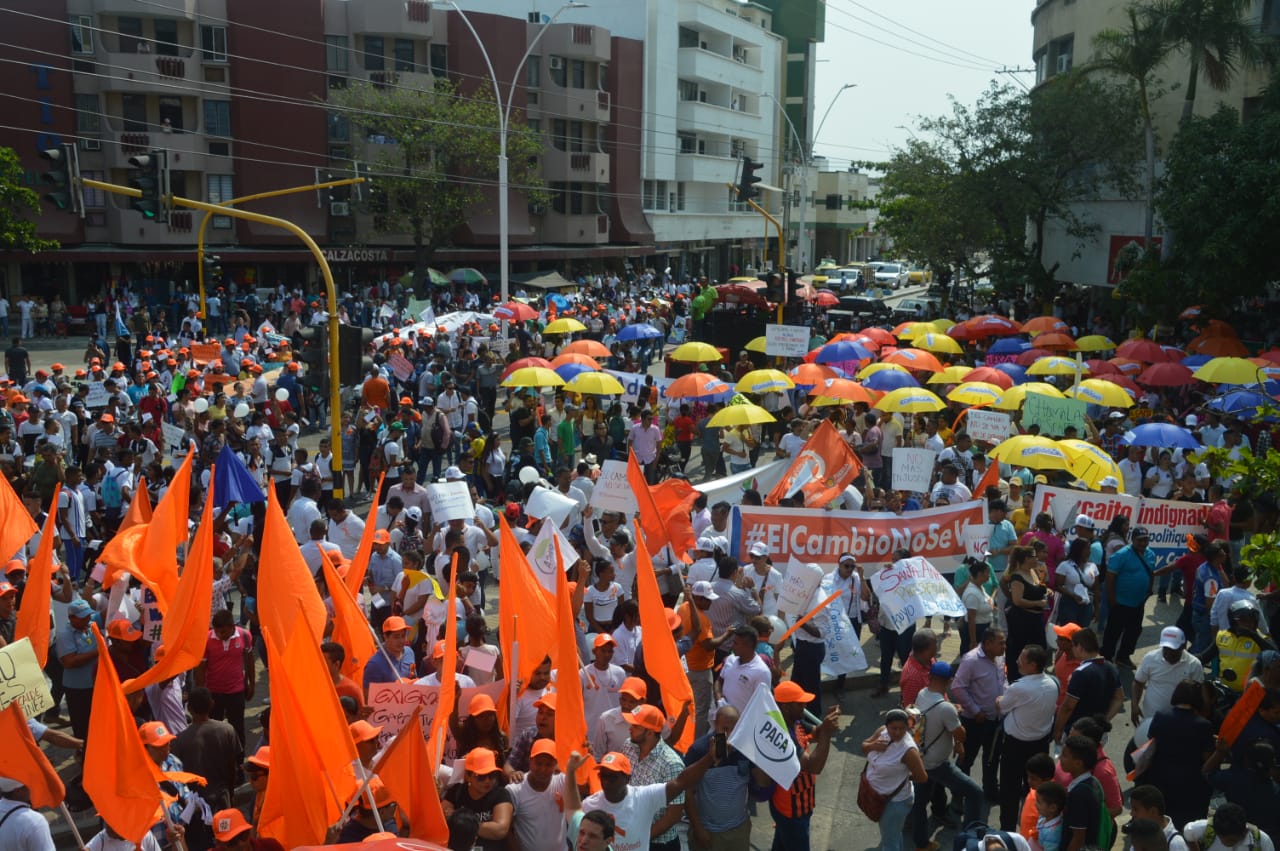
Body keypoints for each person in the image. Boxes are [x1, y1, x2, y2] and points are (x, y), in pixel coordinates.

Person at [564, 743, 719, 851]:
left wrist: (709, 758)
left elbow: (681, 782)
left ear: (627, 778)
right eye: (603, 776)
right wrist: (570, 771)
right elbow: (573, 813)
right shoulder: (590, 805)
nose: (606, 781)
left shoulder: (644, 797)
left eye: (613, 777)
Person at [909, 661, 983, 849]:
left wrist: (952, 713)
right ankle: (970, 838)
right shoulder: (946, 708)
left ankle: (921, 842)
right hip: (938, 764)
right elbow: (961, 734)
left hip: (922, 759)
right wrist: (956, 715)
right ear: (950, 680)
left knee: (920, 803)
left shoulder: (922, 694)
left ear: (930, 677)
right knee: (975, 793)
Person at [766, 681, 842, 851]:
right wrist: (827, 733)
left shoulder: (794, 721)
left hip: (799, 804)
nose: (805, 705)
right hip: (792, 810)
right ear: (786, 707)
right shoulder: (782, 735)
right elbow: (813, 766)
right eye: (799, 703)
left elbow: (815, 732)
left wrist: (827, 723)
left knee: (781, 844)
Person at [995, 645, 1059, 831]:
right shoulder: (1052, 684)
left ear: (1032, 665)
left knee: (1010, 791)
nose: (1017, 661)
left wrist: (998, 700)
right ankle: (1035, 827)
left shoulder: (1020, 688)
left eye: (1021, 659)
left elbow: (1002, 706)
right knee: (1038, 790)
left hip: (1016, 747)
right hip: (1040, 745)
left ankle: (1008, 831)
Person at [683, 705, 764, 850]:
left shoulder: (747, 749)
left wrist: (763, 756)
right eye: (725, 729)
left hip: (737, 832)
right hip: (706, 832)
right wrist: (699, 829)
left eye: (735, 729)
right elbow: (685, 790)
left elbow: (763, 782)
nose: (730, 735)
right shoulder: (699, 750)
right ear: (715, 726)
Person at [861, 707, 929, 851]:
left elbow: (922, 777)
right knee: (894, 835)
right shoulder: (881, 732)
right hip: (877, 795)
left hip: (894, 803)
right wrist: (874, 746)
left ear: (907, 728)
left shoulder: (909, 750)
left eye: (902, 729)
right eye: (893, 728)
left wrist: (904, 777)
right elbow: (864, 746)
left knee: (889, 844)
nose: (897, 732)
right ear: (886, 726)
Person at [951, 628, 1008, 800]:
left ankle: (989, 792)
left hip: (996, 720)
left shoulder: (999, 658)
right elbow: (957, 688)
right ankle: (958, 797)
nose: (1004, 646)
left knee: (992, 759)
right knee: (965, 760)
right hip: (974, 721)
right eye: (1001, 643)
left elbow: (1002, 679)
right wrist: (975, 711)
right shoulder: (971, 660)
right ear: (989, 644)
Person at [195, 608, 255, 750]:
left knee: (238, 728)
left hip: (236, 692)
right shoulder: (206, 639)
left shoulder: (245, 636)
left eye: (223, 632)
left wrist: (251, 683)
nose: (219, 635)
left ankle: (239, 762)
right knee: (213, 731)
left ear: (232, 627)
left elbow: (250, 661)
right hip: (213, 694)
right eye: (216, 631)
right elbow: (200, 669)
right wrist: (201, 694)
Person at [1054, 628, 1123, 742]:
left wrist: (1057, 730)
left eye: (1073, 646)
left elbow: (1067, 707)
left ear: (1080, 647)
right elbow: (1119, 698)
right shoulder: (1111, 667)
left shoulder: (1080, 672)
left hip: (1076, 733)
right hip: (1098, 734)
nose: (1072, 649)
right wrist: (1103, 721)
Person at [1100, 526, 1156, 668]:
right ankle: (1106, 658)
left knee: (1134, 631)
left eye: (1146, 540)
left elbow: (1151, 572)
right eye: (1140, 540)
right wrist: (1112, 599)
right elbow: (1110, 577)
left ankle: (1123, 657)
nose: (1143, 543)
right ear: (1133, 540)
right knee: (1113, 631)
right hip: (1120, 602)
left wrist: (1149, 588)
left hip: (1138, 602)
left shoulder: (1150, 554)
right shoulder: (1121, 555)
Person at [442, 748, 513, 850]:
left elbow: (500, 830)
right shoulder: (457, 791)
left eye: (492, 775)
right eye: (481, 776)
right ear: (468, 776)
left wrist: (464, 825)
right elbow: (443, 816)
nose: (487, 780)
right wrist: (484, 827)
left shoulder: (501, 794)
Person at [1132, 627, 1203, 729]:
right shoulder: (1150, 658)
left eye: (1173, 650)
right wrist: (1134, 706)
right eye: (1166, 649)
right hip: (1150, 720)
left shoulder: (1194, 665)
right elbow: (1138, 682)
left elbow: (1198, 695)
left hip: (1179, 725)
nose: (1168, 654)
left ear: (1183, 646)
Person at [509, 739, 568, 851]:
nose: (543, 769)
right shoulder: (515, 789)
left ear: (556, 763)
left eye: (548, 764)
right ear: (530, 761)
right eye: (538, 763)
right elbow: (508, 831)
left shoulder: (563, 781)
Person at [1002, 545, 1049, 682]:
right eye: (1034, 556)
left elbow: (1038, 588)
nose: (1036, 558)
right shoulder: (1017, 577)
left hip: (1036, 620)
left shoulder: (1033, 572)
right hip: (1022, 622)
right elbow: (1017, 600)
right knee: (1020, 651)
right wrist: (1037, 603)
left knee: (1039, 650)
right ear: (1026, 559)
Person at [1059, 733, 1113, 851]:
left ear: (1078, 763)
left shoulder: (1079, 794)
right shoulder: (1093, 782)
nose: (1060, 758)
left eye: (1064, 756)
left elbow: (1078, 838)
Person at [1181, 803, 1275, 851]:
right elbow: (1187, 832)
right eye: (1221, 838)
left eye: (1232, 840)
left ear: (1245, 831)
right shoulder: (1206, 828)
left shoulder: (1262, 840)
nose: (1224, 843)